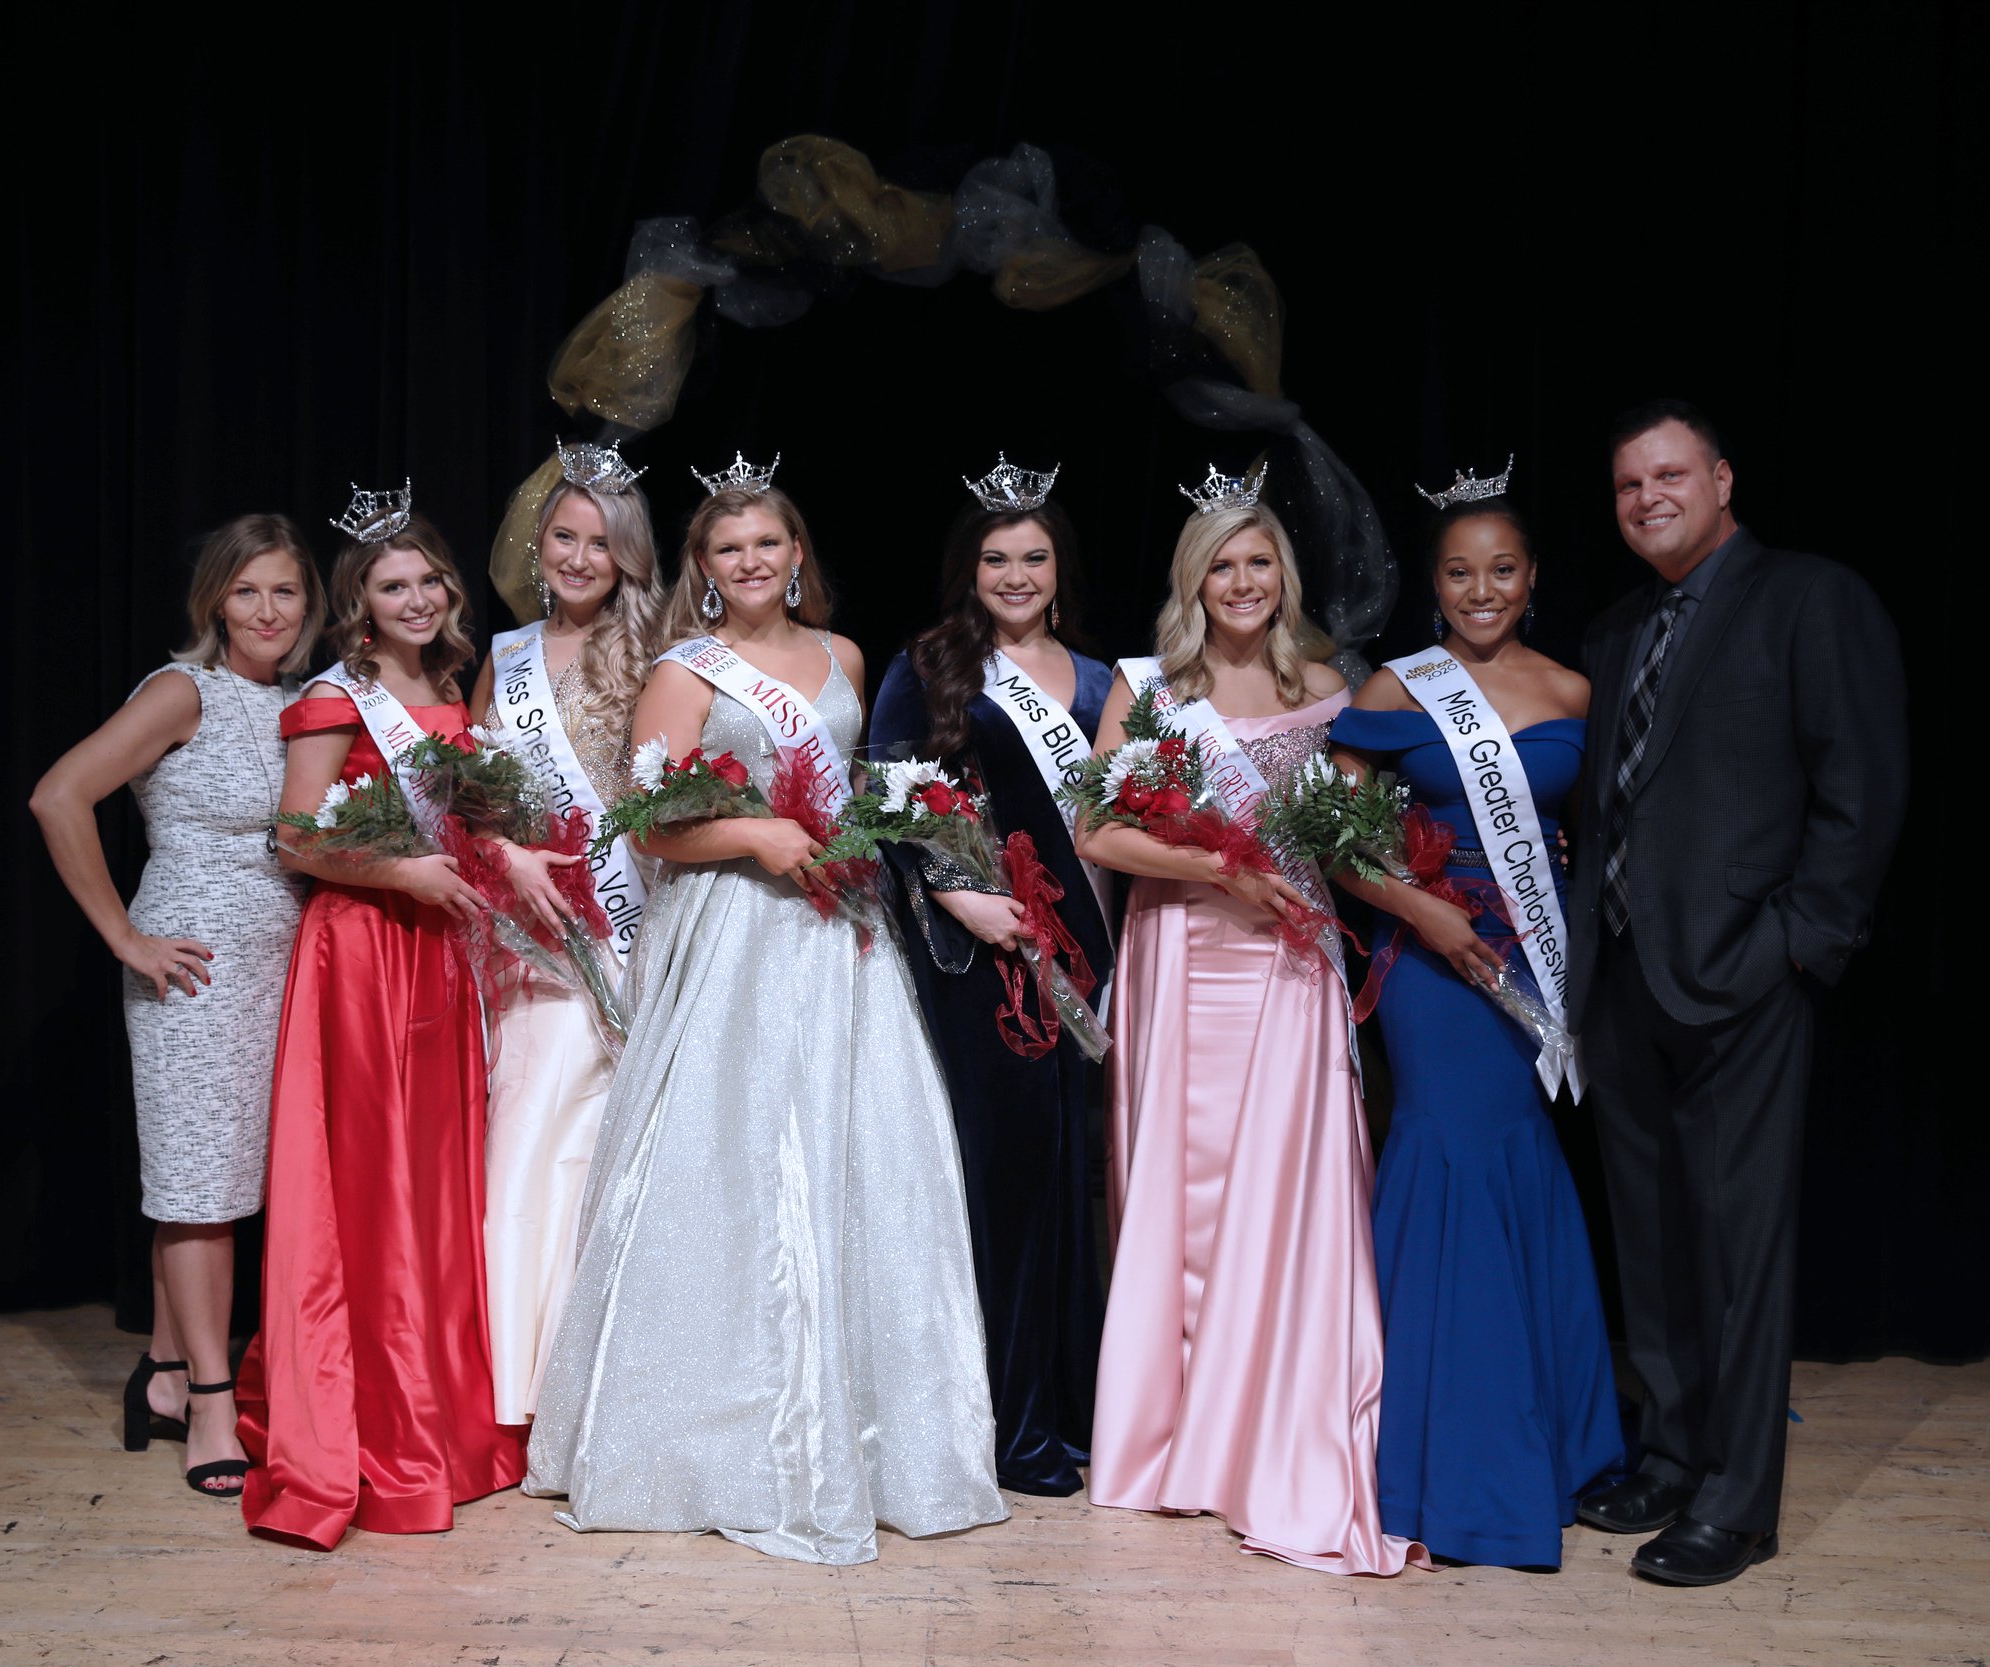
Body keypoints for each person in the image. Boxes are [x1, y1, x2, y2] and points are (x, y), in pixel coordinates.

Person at [523, 455, 1005, 1566]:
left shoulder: (841, 656)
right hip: (735, 932)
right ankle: (715, 1434)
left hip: (837, 935)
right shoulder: (683, 669)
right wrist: (757, 834)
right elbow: (650, 826)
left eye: (767, 544)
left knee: (860, 1158)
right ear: (703, 565)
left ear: (796, 557)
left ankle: (879, 1438)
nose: (748, 561)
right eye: (726, 547)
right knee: (732, 1164)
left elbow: (860, 784)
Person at [1568, 401, 1906, 1585]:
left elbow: (1859, 787)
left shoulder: (1810, 598)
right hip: (1620, 978)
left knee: (1738, 1246)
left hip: (1741, 978)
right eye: (1625, 485)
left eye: (1668, 474)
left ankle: (1737, 1499)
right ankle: (1667, 1452)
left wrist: (1800, 943)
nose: (1647, 496)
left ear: (1720, 478)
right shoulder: (1616, 628)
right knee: (1654, 1240)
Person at [1079, 465, 1408, 1577]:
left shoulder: (1328, 682)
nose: (1241, 579)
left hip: (1290, 956)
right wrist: (1217, 873)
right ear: (1192, 579)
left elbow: (1360, 832)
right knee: (1177, 1185)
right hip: (1182, 952)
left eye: (1257, 559)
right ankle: (1168, 1432)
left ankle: (1259, 1419)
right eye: (1219, 562)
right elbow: (1096, 832)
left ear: (1284, 572)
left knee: (1282, 1187)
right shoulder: (1150, 688)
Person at [1327, 465, 1625, 1568]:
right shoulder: (1400, 692)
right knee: (1447, 1155)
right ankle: (1442, 1462)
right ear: (1435, 587)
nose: (1482, 588)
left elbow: (1589, 837)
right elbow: (1336, 839)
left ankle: (1550, 1437)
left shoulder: (1573, 691)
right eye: (1460, 572)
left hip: (1532, 957)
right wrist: (1426, 912)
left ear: (1532, 576)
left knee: (1518, 1160)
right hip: (1428, 957)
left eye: (1501, 568)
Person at [235, 486, 527, 1548]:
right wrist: (404, 871)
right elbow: (299, 838)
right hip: (363, 948)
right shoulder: (334, 697)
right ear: (359, 604)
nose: (413, 597)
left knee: (439, 1185)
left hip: (438, 955)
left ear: (449, 591)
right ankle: (375, 1422)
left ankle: (443, 1420)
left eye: (427, 580)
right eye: (388, 584)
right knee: (371, 1184)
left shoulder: (449, 683)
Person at [29, 514, 322, 1498]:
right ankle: (206, 1395)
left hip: (279, 965)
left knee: (223, 1177)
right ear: (214, 602)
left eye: (285, 590)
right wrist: (124, 935)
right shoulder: (180, 689)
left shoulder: (302, 699)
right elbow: (60, 794)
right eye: (248, 591)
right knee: (199, 1187)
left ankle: (159, 1371)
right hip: (191, 967)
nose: (268, 609)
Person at [866, 457, 1113, 1497]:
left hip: (1088, 952)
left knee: (1075, 1176)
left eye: (1034, 557)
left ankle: (1072, 1406)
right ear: (969, 570)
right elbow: (887, 797)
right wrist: (962, 896)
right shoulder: (925, 667)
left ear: (1060, 571)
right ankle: (1010, 1425)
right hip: (984, 957)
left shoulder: (1104, 681)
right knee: (1007, 1178)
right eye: (995, 557)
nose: (1015, 575)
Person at [463, 439, 665, 1426]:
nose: (581, 558)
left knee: (619, 1145)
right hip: (533, 933)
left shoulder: (657, 650)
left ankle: (609, 1378)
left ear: (628, 554)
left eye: (602, 542)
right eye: (565, 535)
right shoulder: (500, 660)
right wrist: (508, 858)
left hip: (635, 922)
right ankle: (520, 1378)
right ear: (536, 541)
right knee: (532, 1133)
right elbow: (469, 798)